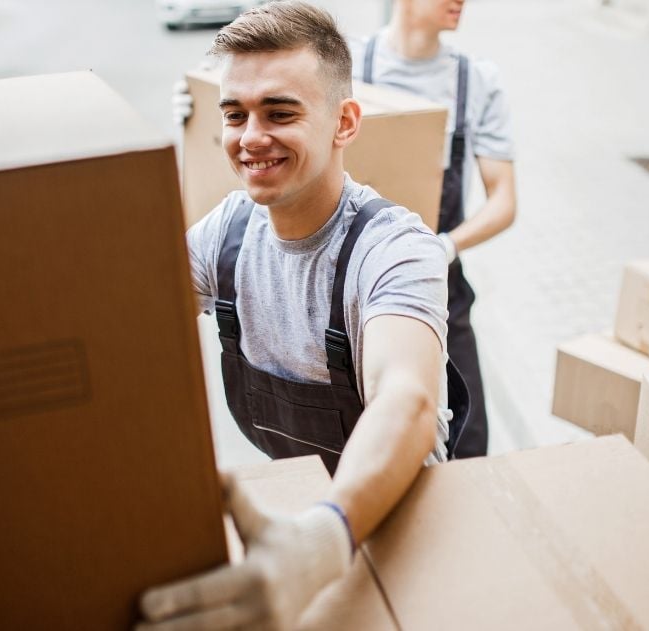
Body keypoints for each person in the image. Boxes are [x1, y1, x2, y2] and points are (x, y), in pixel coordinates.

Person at [139, 2, 468, 629]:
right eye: (234, 115)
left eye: (280, 112)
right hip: (296, 517)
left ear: (344, 123)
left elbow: (407, 402)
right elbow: (134, 332)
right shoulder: (225, 236)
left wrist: (320, 543)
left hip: (399, 527)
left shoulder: (395, 248)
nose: (251, 137)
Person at [354, 0, 518, 458]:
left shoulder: (475, 81)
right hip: (350, 292)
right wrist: (203, 110)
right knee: (363, 443)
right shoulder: (346, 66)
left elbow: (503, 200)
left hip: (440, 287)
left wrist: (444, 246)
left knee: (468, 445)